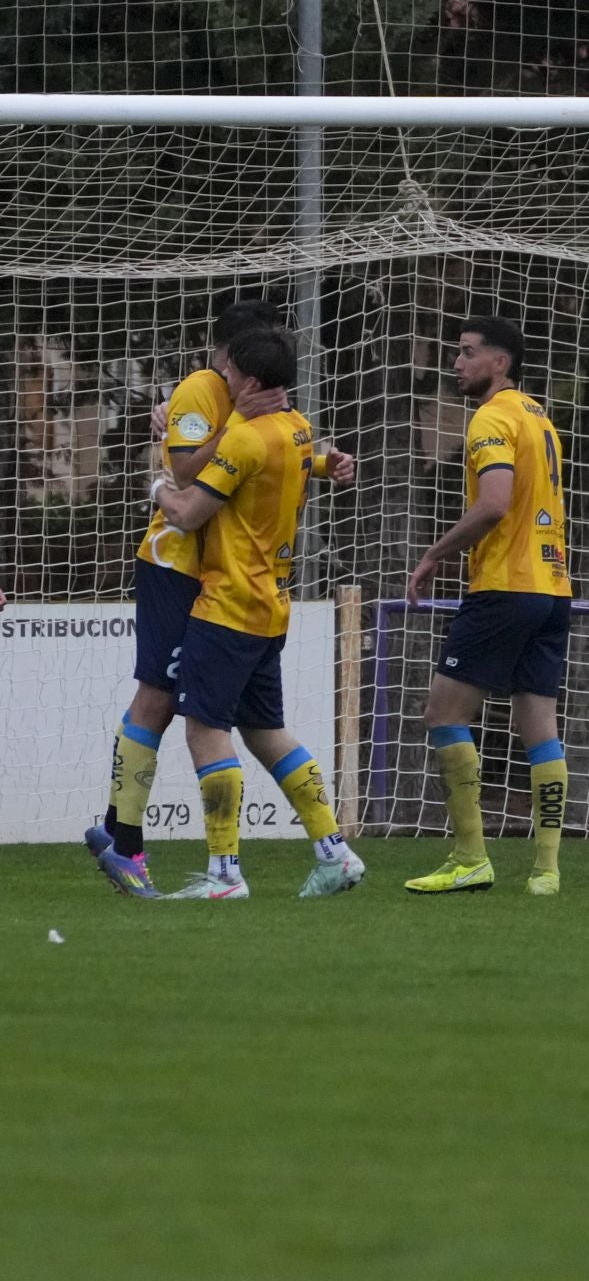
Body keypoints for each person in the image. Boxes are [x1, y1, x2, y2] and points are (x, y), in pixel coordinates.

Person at [87, 300, 294, 896]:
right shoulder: (203, 389)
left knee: (176, 701)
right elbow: (183, 478)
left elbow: (268, 453)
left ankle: (114, 834)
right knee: (158, 694)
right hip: (173, 564)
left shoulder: (254, 396)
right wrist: (231, 429)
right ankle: (124, 844)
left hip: (215, 572)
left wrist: (327, 461)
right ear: (230, 355)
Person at [150, 326, 364, 900]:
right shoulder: (298, 429)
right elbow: (287, 464)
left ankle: (224, 874)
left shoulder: (242, 440)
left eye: (228, 371)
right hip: (272, 605)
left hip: (227, 605)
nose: (221, 378)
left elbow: (190, 512)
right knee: (268, 732)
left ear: (245, 379)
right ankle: (335, 851)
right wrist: (328, 464)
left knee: (205, 731)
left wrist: (158, 486)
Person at [404, 316, 573, 896]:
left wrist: (433, 555)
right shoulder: (539, 418)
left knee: (443, 716)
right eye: (456, 352)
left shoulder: (492, 417)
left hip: (504, 586)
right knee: (540, 728)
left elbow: (495, 503)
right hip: (553, 587)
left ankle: (470, 857)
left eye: (468, 353)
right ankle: (546, 870)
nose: (457, 362)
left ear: (499, 363)